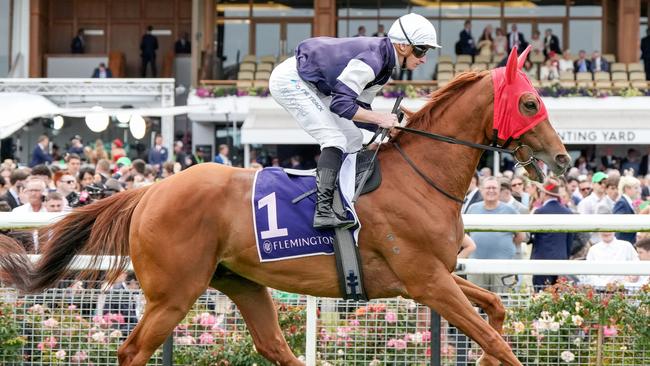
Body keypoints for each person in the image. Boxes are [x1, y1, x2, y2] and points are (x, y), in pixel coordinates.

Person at [269, 13, 439, 229]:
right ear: (403, 46)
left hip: (318, 85)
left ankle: (342, 200)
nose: (424, 58)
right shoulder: (373, 60)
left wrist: (386, 126)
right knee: (334, 138)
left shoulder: (385, 67)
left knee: (353, 137)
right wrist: (380, 119)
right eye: (421, 49)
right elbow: (341, 105)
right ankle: (322, 211)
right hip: (292, 80)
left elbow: (358, 109)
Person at [466, 177, 526, 293]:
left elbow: (520, 236)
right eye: (488, 187)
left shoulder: (510, 211)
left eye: (494, 188)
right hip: (476, 266)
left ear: (499, 190)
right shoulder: (473, 209)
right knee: (475, 302)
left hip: (502, 267)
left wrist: (502, 246)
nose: (491, 190)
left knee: (502, 303)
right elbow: (466, 234)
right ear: (482, 190)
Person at [530, 179, 574, 289]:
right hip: (561, 260)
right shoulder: (568, 213)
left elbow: (531, 236)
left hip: (541, 262)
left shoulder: (539, 212)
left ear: (544, 193)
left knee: (540, 296)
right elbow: (570, 241)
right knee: (558, 300)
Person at [613, 176, 640, 244]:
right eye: (636, 188)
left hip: (628, 241)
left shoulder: (626, 202)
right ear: (627, 188)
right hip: (623, 241)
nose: (638, 191)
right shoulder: (621, 202)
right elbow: (619, 223)